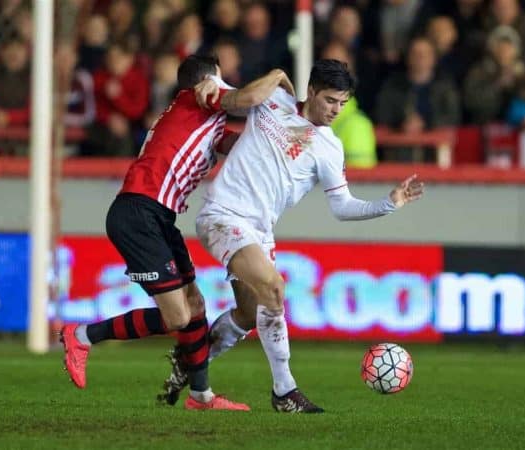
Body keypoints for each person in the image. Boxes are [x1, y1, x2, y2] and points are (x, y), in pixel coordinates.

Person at [162, 59, 424, 412]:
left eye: (342, 103)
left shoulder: (330, 148)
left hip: (259, 230)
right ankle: (285, 392)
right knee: (274, 288)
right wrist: (270, 76)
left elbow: (342, 206)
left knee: (248, 313)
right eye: (330, 100)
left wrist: (389, 203)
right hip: (222, 215)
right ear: (311, 91)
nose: (336, 110)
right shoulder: (272, 100)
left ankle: (190, 360)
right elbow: (238, 98)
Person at [60, 54, 295, 412]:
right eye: (220, 79)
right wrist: (277, 73)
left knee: (195, 306)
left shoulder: (196, 120)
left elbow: (241, 145)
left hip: (159, 217)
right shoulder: (201, 97)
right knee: (178, 318)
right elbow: (248, 99)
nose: (224, 85)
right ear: (207, 81)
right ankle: (80, 336)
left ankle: (201, 397)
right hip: (138, 214)